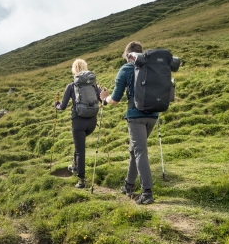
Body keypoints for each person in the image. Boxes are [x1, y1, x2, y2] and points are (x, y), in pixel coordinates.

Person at [99, 41, 158, 204]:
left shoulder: (126, 69)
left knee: (139, 151)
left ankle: (147, 192)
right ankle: (129, 185)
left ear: (127, 55)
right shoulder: (150, 68)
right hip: (153, 114)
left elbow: (115, 99)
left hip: (135, 116)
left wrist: (104, 99)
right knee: (134, 150)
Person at [55, 59, 98, 189]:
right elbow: (102, 99)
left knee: (80, 150)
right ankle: (74, 166)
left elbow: (62, 107)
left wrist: (56, 105)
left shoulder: (71, 86)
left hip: (78, 122)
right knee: (79, 145)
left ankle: (81, 180)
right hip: (92, 122)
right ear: (85, 68)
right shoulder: (93, 84)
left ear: (74, 70)